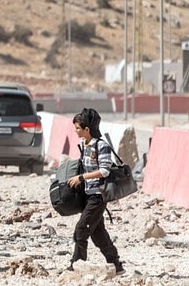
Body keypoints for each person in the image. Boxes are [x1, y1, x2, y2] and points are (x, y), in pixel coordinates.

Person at [67, 108, 124, 275]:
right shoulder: (85, 146)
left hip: (98, 196)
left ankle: (76, 265)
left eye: (78, 128)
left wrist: (82, 177)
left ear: (87, 129)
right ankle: (116, 265)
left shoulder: (101, 146)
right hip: (88, 195)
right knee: (98, 234)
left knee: (81, 229)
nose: (75, 131)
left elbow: (105, 170)